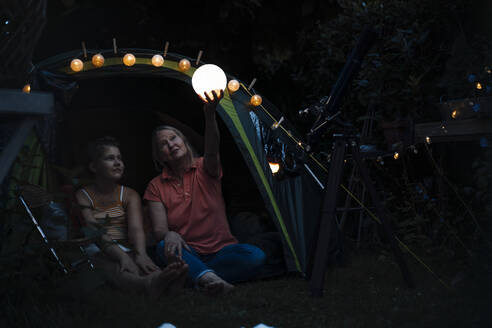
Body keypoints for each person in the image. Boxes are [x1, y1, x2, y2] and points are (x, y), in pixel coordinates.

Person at [144, 90, 266, 295]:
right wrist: (170, 234)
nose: (171, 145)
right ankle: (209, 279)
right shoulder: (155, 186)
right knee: (164, 246)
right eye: (163, 145)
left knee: (255, 256)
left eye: (173, 138)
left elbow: (211, 149)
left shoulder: (204, 168)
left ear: (183, 140)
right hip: (188, 253)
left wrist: (210, 115)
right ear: (160, 157)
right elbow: (159, 230)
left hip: (222, 252)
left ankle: (198, 278)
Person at [75, 136, 188, 299]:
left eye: (119, 158)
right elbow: (95, 231)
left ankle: (165, 281)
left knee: (141, 263)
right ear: (93, 166)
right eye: (110, 158)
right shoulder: (83, 195)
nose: (117, 162)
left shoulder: (129, 194)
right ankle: (146, 285)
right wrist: (121, 257)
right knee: (109, 265)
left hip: (125, 246)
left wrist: (141, 254)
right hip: (97, 248)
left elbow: (136, 229)